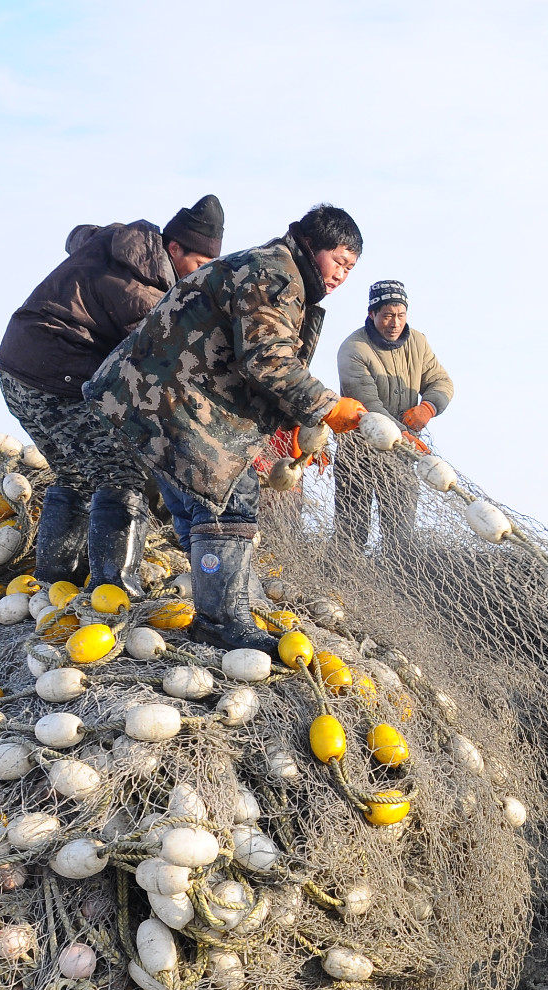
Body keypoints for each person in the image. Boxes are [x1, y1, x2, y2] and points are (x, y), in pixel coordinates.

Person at [88, 203, 369, 655]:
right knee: (232, 499)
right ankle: (221, 620)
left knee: (199, 505)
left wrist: (296, 421)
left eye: (351, 268)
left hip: (150, 397)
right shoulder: (275, 276)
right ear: (313, 245)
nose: (341, 275)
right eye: (339, 261)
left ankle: (226, 603)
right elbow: (267, 359)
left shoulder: (272, 268)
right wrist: (325, 406)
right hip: (172, 400)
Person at [0, 194, 226, 589]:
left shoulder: (120, 245)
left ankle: (54, 581)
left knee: (75, 474)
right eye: (199, 265)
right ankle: (113, 587)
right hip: (55, 377)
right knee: (124, 474)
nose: (198, 277)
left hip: (16, 370)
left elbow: (80, 236)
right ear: (174, 248)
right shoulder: (141, 289)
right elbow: (159, 359)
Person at [333, 279, 455, 551]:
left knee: (400, 537)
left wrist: (428, 407)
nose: (394, 323)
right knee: (351, 532)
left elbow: (442, 382)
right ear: (371, 314)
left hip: (401, 458)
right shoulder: (353, 349)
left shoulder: (418, 342)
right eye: (387, 315)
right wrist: (404, 437)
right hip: (358, 454)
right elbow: (369, 405)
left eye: (400, 315)